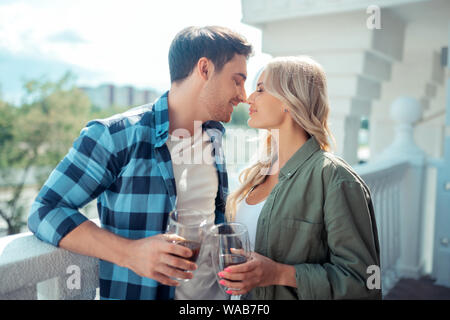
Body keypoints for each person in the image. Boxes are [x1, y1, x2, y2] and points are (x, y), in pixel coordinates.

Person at [28, 25, 253, 300]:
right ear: (204, 69)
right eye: (237, 80)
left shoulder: (214, 134)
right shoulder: (114, 136)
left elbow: (211, 214)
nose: (244, 95)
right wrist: (129, 253)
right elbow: (44, 209)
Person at [219, 56, 382, 300]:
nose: (248, 98)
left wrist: (277, 273)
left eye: (260, 90)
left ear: (288, 100)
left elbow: (364, 283)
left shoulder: (335, 178)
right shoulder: (256, 173)